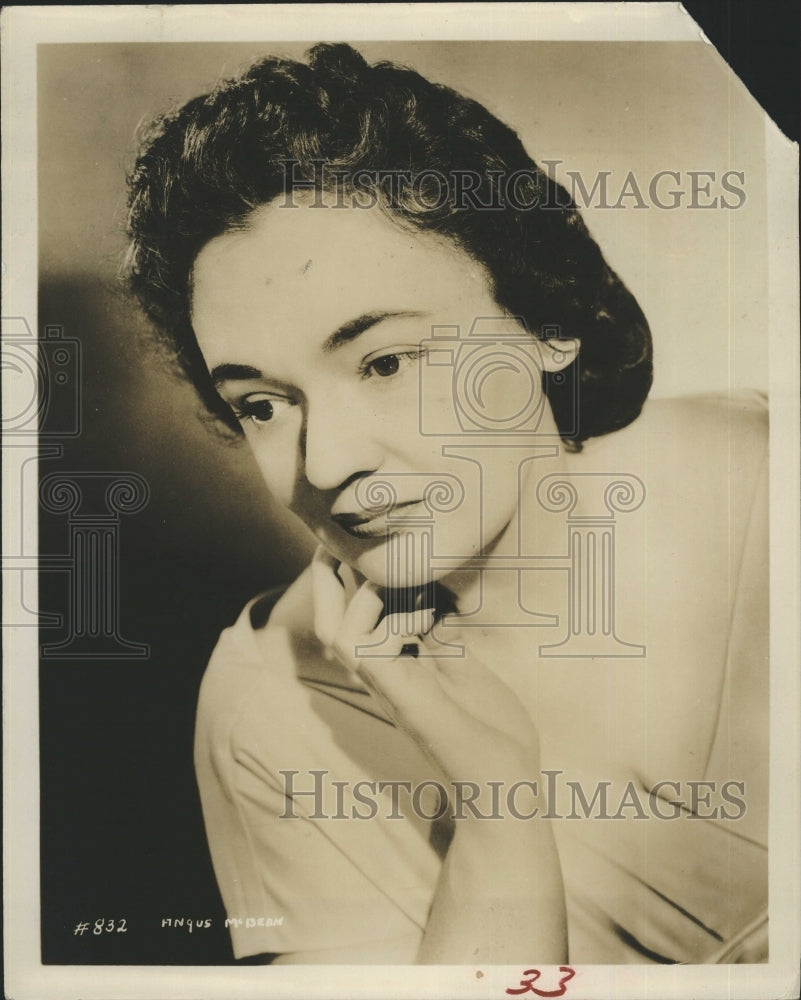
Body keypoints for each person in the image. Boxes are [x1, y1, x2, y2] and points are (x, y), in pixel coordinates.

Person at [124, 43, 768, 965]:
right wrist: (498, 812)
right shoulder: (271, 705)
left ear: (548, 319)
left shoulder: (768, 473)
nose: (330, 462)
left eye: (385, 362)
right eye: (262, 405)